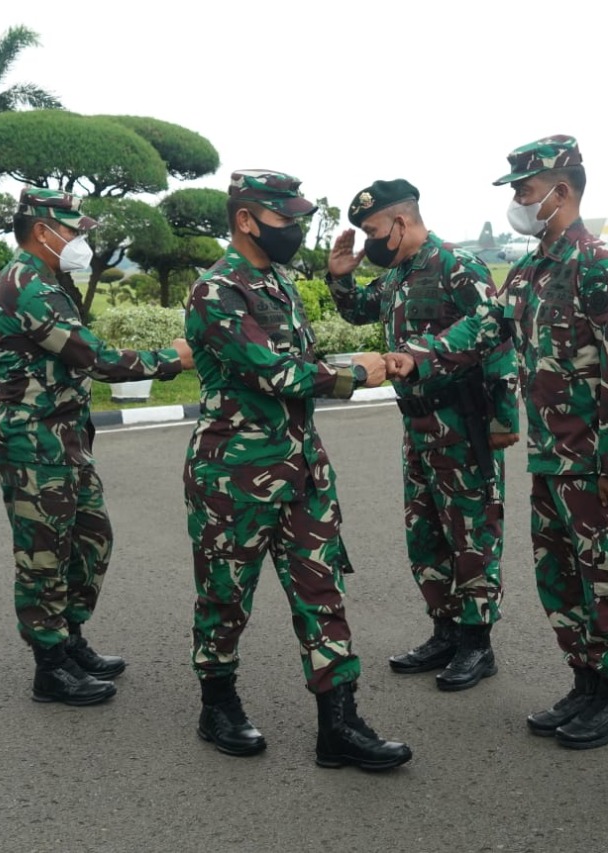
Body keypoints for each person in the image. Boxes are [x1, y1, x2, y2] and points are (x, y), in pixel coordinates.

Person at [386, 136, 608, 750]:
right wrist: (414, 356)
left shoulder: (600, 267)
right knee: (560, 576)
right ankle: (586, 682)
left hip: (593, 460)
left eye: (526, 190)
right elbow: (483, 328)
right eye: (515, 191)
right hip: (550, 456)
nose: (518, 200)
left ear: (562, 192)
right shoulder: (531, 270)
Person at [184, 169, 411, 770]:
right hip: (233, 474)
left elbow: (298, 360)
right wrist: (358, 373)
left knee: (323, 590)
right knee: (225, 596)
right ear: (246, 220)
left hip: (302, 467)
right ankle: (219, 704)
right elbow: (275, 372)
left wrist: (343, 362)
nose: (296, 230)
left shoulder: (277, 281)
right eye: (286, 220)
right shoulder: (217, 291)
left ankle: (338, 724)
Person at [0, 187, 193, 706]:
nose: (79, 239)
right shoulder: (25, 285)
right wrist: (171, 357)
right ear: (42, 231)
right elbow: (91, 355)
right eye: (73, 230)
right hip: (34, 444)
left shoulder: (48, 281)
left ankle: (71, 640)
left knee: (92, 541)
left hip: (65, 440)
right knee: (43, 556)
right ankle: (49, 667)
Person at [326, 179, 518, 691]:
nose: (369, 242)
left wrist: (503, 420)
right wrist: (340, 279)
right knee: (426, 533)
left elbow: (496, 333)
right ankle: (445, 630)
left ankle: (478, 643)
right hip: (417, 425)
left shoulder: (459, 267)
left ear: (401, 222)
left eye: (372, 230)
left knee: (472, 534)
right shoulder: (397, 275)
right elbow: (358, 311)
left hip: (463, 423)